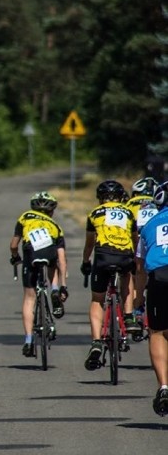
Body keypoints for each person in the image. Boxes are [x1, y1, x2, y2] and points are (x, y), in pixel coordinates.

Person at [81, 179, 139, 371]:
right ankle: (129, 316)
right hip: (124, 256)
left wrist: (85, 262)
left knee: (97, 299)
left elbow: (89, 243)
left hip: (103, 256)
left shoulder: (94, 213)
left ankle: (96, 341)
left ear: (100, 199)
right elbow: (134, 239)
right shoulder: (129, 213)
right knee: (127, 276)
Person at [9, 192, 68, 357]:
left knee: (29, 298)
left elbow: (14, 245)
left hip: (31, 253)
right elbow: (62, 259)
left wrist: (15, 258)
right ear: (52, 211)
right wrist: (64, 285)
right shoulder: (56, 226)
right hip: (49, 252)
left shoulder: (25, 217)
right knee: (53, 264)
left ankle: (28, 340)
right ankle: (54, 289)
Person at [135, 181, 168, 415]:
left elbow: (139, 269)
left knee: (157, 332)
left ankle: (164, 387)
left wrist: (137, 303)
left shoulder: (148, 225)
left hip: (159, 279)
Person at [127, 177, 159, 328]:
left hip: (136, 241)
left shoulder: (129, 205)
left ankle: (137, 311)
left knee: (134, 275)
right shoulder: (159, 205)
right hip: (154, 243)